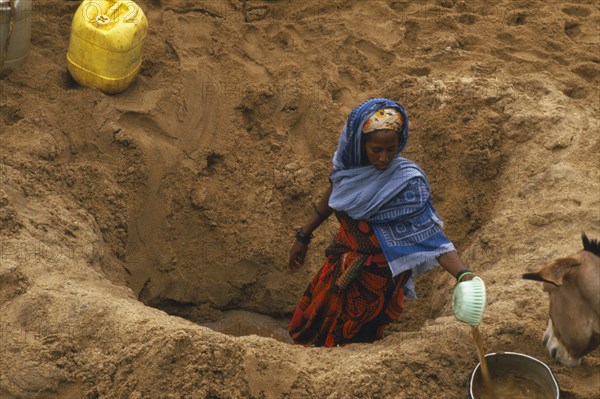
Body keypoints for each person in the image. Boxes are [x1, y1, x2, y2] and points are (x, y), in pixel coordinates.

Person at [287, 98, 477, 347]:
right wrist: (303, 237)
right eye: (376, 150)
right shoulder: (349, 172)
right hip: (340, 267)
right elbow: (331, 199)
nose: (384, 157)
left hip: (377, 281)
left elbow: (431, 238)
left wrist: (463, 275)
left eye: (392, 149)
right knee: (320, 326)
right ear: (360, 144)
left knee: (357, 336)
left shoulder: (407, 182)